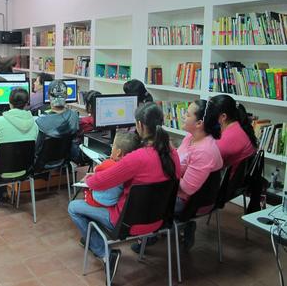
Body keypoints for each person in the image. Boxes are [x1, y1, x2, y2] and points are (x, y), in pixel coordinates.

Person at [68, 102, 180, 283]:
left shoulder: (137, 158)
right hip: (160, 220)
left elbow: (100, 182)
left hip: (127, 223)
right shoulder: (173, 153)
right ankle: (96, 242)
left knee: (74, 207)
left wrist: (88, 178)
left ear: (140, 126)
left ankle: (104, 253)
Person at [0, 88, 38, 207]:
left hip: (0, 173)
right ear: (27, 104)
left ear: (10, 103)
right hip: (24, 171)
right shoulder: (34, 124)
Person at [176, 99, 223, 250]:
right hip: (184, 194)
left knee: (140, 197)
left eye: (187, 114)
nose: (183, 116)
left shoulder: (204, 151)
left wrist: (166, 171)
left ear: (199, 123)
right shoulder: (191, 138)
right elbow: (178, 162)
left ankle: (148, 234)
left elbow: (187, 188)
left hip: (188, 202)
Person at [84, 131, 140, 207]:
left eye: (113, 146)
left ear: (118, 153)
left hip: (103, 202)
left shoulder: (109, 164)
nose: (111, 148)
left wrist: (88, 178)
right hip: (117, 202)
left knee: (73, 206)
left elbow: (94, 177)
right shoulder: (133, 167)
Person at [210, 94, 257, 178]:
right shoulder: (236, 127)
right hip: (234, 182)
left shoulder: (230, 136)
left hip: (225, 185)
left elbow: (207, 162)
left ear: (223, 117)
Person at [35, 80, 79, 158]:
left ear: (48, 96)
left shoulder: (40, 122)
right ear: (66, 96)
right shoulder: (74, 116)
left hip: (42, 162)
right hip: (64, 158)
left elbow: (37, 149)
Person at [70, 90, 101, 164]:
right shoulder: (106, 121)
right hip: (99, 151)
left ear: (89, 106)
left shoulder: (83, 122)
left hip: (83, 154)